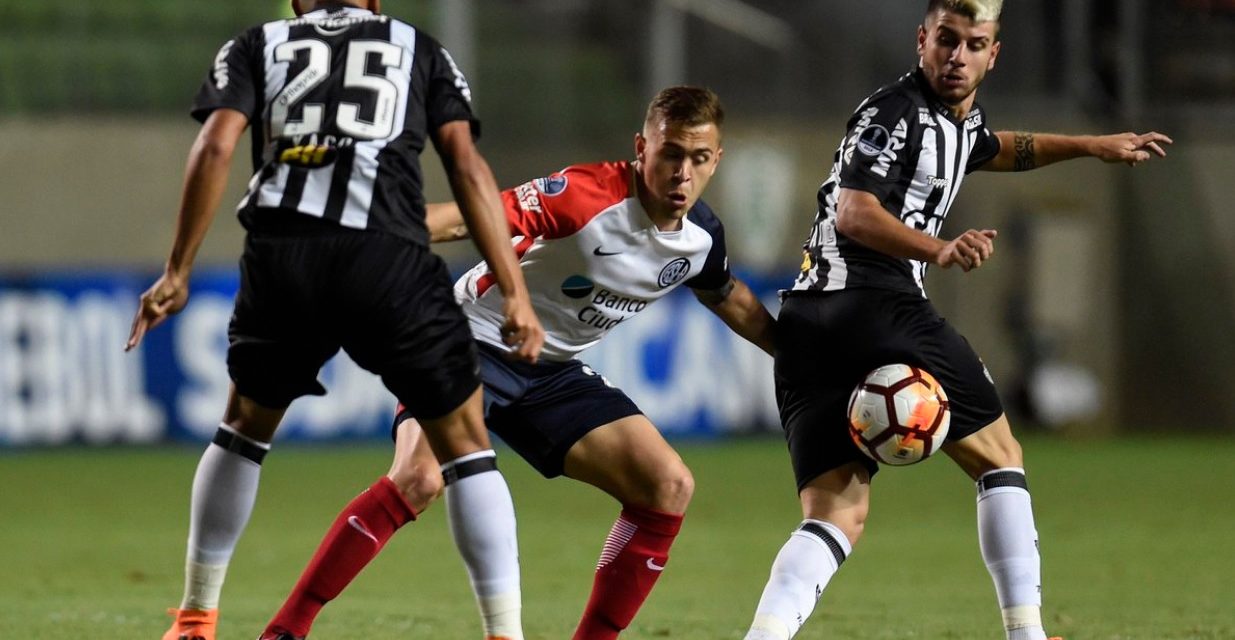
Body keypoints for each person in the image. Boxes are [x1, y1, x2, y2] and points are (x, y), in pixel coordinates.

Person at [257, 86, 776, 640]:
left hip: (549, 370)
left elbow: (729, 296)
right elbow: (467, 218)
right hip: (464, 341)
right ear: (641, 148)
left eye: (699, 159)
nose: (682, 174)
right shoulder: (585, 195)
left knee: (667, 485)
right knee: (418, 479)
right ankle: (286, 630)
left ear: (716, 160)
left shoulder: (701, 237)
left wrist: (796, 357)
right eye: (671, 153)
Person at [741, 2, 1171, 640]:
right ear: (923, 41)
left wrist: (1091, 146)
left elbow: (998, 148)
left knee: (835, 513)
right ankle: (1026, 634)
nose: (957, 56)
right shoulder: (895, 113)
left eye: (974, 44)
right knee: (1000, 457)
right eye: (946, 40)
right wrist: (937, 248)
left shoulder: (955, 125)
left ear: (993, 54)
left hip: (807, 321)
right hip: (875, 303)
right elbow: (855, 215)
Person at [124, 2, 547, 639]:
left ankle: (194, 618)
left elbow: (214, 144)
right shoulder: (417, 47)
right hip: (389, 255)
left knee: (242, 428)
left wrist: (177, 270)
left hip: (283, 253)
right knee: (465, 445)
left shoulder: (258, 43)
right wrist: (513, 290)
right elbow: (466, 167)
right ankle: (504, 635)